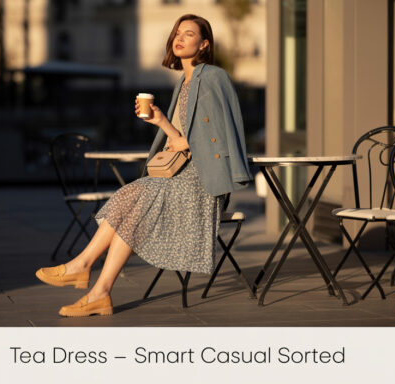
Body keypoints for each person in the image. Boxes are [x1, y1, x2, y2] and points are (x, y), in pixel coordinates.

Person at [35, 14, 253, 317]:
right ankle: (96, 288)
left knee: (137, 197)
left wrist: (176, 134)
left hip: (201, 184)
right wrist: (161, 121)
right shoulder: (183, 82)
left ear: (204, 44)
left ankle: (85, 270)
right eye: (177, 32)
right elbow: (180, 141)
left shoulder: (214, 76)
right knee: (132, 199)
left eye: (189, 34)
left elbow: (222, 134)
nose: (179, 38)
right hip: (176, 179)